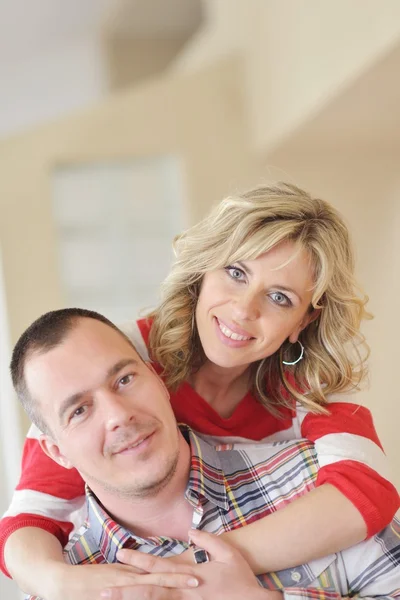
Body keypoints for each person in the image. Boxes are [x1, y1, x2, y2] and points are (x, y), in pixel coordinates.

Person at [2, 183, 399, 600]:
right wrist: (56, 583)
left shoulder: (314, 391)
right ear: (202, 270)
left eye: (279, 297)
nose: (244, 309)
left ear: (302, 320)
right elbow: (31, 517)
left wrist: (192, 571)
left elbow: (367, 493)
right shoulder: (121, 358)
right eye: (236, 273)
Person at [10, 308, 400, 600]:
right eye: (79, 410)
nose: (118, 416)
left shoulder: (314, 480)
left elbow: (366, 491)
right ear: (57, 452)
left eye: (124, 380)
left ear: (158, 379)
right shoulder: (62, 584)